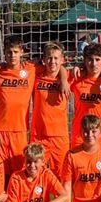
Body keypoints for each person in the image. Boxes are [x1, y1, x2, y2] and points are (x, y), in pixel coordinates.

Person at [0, 37, 37, 177]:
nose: (12, 55)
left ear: (22, 52)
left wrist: (63, 78)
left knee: (19, 172)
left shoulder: (31, 69)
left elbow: (55, 64)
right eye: (9, 52)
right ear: (4, 53)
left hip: (19, 130)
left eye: (15, 52)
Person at [30, 42, 72, 173]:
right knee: (35, 174)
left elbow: (90, 68)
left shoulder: (69, 77)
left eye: (56, 58)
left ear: (62, 60)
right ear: (44, 59)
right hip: (39, 135)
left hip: (59, 135)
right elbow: (18, 66)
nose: (52, 61)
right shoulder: (36, 75)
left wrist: (64, 79)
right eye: (49, 58)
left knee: (61, 174)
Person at [69, 43, 101, 149]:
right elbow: (57, 73)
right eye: (90, 60)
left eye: (97, 59)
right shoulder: (76, 78)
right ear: (84, 61)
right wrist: (78, 65)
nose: (94, 63)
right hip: (80, 136)